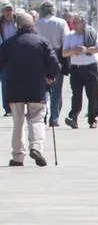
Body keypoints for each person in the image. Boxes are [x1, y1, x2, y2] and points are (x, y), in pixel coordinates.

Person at [0, 12, 58, 166]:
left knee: (18, 122)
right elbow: (54, 64)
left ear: (17, 26)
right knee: (37, 117)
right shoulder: (42, 42)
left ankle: (18, 156)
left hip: (14, 88)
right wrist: (50, 76)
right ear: (33, 25)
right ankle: (36, 147)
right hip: (37, 87)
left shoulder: (8, 43)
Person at [63, 12, 98, 129]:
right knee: (76, 94)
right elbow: (64, 53)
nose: (73, 25)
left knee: (93, 95)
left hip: (90, 67)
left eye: (76, 23)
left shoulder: (92, 34)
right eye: (72, 22)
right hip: (76, 68)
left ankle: (92, 119)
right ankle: (73, 117)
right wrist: (73, 51)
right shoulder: (70, 36)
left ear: (83, 23)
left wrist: (85, 50)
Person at [35, 1, 68, 127]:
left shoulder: (37, 23)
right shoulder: (61, 22)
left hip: (40, 56)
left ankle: (43, 115)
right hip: (56, 55)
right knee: (56, 89)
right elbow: (66, 40)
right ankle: (54, 118)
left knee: (42, 88)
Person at [0, 2, 17, 115]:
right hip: (3, 54)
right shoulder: (0, 23)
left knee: (18, 80)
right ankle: (8, 109)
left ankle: (18, 105)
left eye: (10, 10)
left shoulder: (18, 22)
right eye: (6, 10)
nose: (8, 12)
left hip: (18, 53)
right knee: (5, 82)